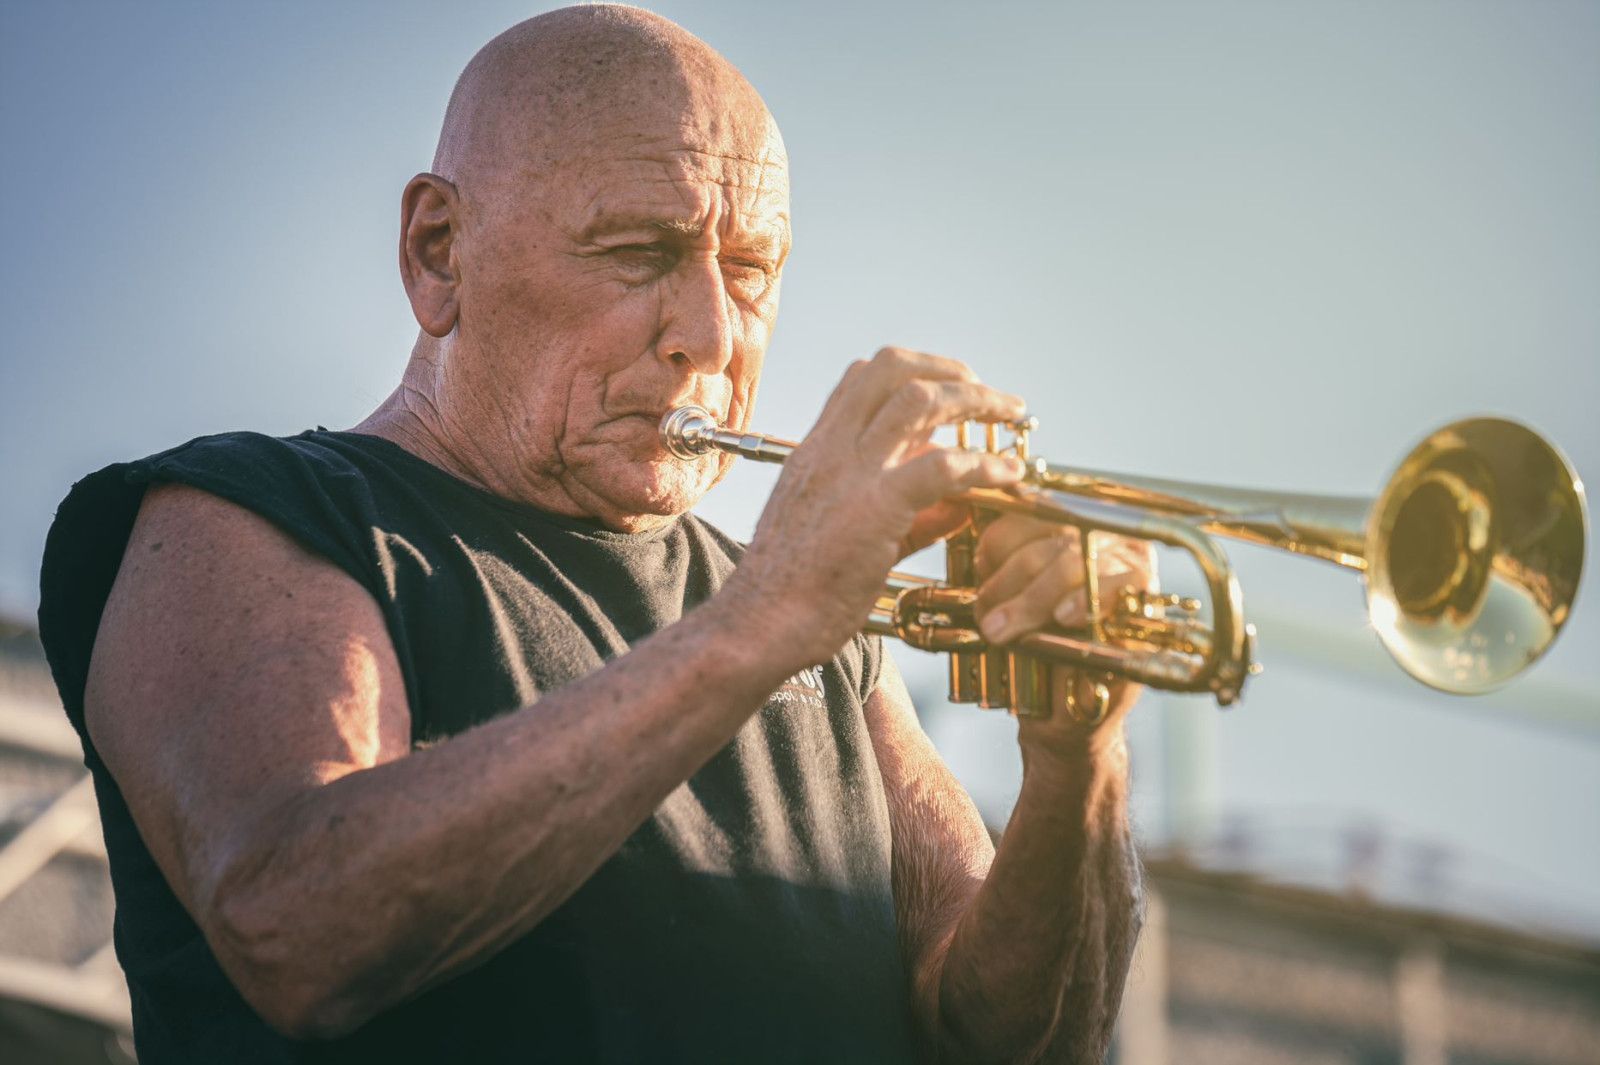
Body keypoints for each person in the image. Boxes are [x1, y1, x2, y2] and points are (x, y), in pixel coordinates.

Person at [38, 7, 1151, 1062]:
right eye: (637, 251)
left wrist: (1077, 759)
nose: (711, 336)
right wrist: (765, 618)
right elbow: (296, 929)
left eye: (751, 270)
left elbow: (1007, 1041)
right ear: (438, 252)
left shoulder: (811, 621)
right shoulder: (242, 513)